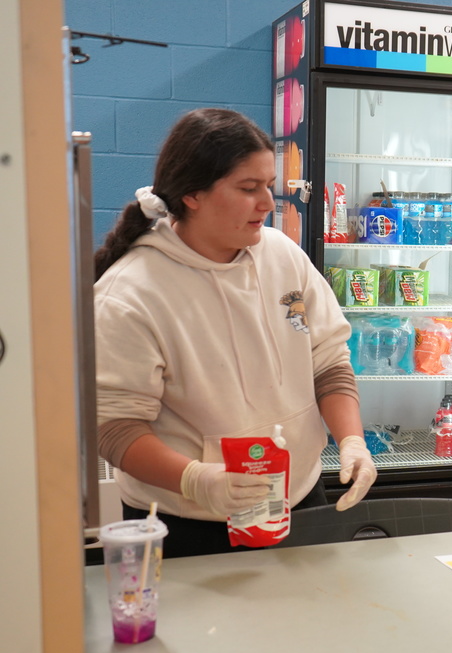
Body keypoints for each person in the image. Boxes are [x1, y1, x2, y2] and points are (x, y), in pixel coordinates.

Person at [93, 108, 376, 557]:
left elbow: (328, 361)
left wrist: (352, 441)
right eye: (249, 188)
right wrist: (199, 481)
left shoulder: (282, 255)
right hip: (187, 521)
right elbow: (114, 427)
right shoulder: (129, 295)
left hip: (298, 497)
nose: (268, 203)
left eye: (269, 185)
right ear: (192, 195)